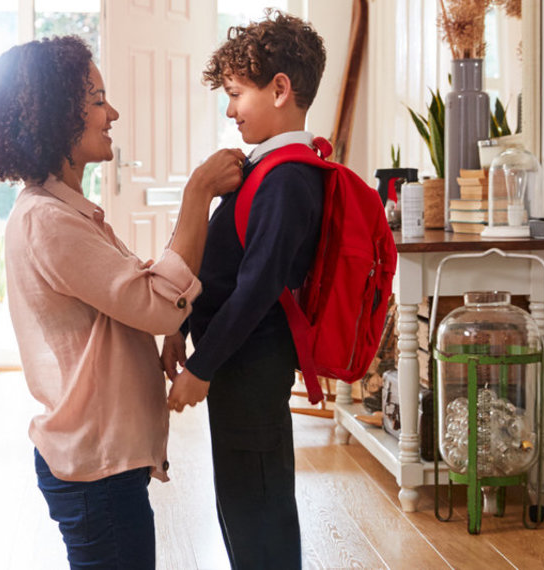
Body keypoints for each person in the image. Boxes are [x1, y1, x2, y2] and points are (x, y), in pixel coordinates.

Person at [0, 36, 245, 569]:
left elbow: (134, 294)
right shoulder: (48, 222)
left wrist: (169, 329)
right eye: (97, 100)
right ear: (57, 119)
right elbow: (158, 301)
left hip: (97, 462)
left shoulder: (63, 213)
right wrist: (196, 194)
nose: (112, 112)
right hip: (94, 470)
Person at [160, 10, 328, 569]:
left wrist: (201, 367)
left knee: (259, 506)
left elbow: (255, 290)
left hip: (252, 367)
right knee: (240, 498)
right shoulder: (263, 170)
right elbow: (220, 264)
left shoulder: (288, 179)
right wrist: (179, 328)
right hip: (238, 367)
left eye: (235, 94)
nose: (229, 109)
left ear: (280, 89)